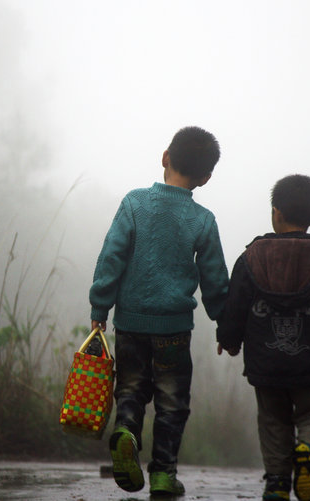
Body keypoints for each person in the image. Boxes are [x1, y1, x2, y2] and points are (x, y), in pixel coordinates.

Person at [89, 126, 229, 496]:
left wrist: (100, 305)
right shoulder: (203, 220)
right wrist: (226, 325)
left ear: (165, 157)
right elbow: (215, 281)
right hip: (174, 330)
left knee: (131, 390)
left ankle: (126, 433)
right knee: (172, 403)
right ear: (205, 177)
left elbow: (111, 257)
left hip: (130, 323)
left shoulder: (134, 203)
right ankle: (164, 474)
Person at [216, 174, 310, 501]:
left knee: (273, 421)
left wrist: (229, 337)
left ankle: (278, 483)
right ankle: (306, 448)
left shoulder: (251, 256)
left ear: (275, 212)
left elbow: (235, 303)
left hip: (266, 364)